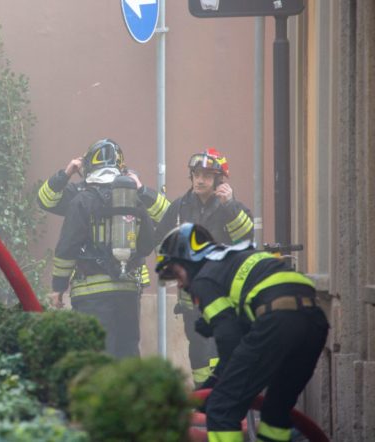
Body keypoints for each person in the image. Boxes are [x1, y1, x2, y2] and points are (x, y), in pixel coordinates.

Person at [155, 223, 328, 442]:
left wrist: (214, 391)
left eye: (175, 273)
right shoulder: (234, 260)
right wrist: (215, 383)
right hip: (314, 322)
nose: (179, 285)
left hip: (277, 320)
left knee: (221, 410)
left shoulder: (204, 280)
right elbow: (242, 338)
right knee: (276, 412)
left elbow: (230, 341)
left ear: (189, 261)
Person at [42, 139, 160, 358]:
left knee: (96, 357)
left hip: (90, 295)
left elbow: (67, 248)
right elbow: (146, 244)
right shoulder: (134, 200)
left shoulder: (82, 200)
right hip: (128, 292)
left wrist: (59, 287)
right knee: (127, 357)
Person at [149, 148, 255, 387]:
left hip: (223, 295)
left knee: (220, 346)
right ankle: (203, 396)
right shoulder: (179, 207)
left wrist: (229, 205)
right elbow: (160, 240)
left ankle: (220, 393)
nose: (200, 179)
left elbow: (246, 238)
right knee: (197, 349)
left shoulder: (231, 208)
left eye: (207, 175)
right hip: (191, 297)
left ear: (219, 180)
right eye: (196, 174)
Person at [37, 138, 169, 287]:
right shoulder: (130, 193)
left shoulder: (81, 194)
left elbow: (44, 200)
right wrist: (142, 190)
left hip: (89, 284)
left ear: (87, 165)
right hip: (128, 283)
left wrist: (67, 173)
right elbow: (168, 217)